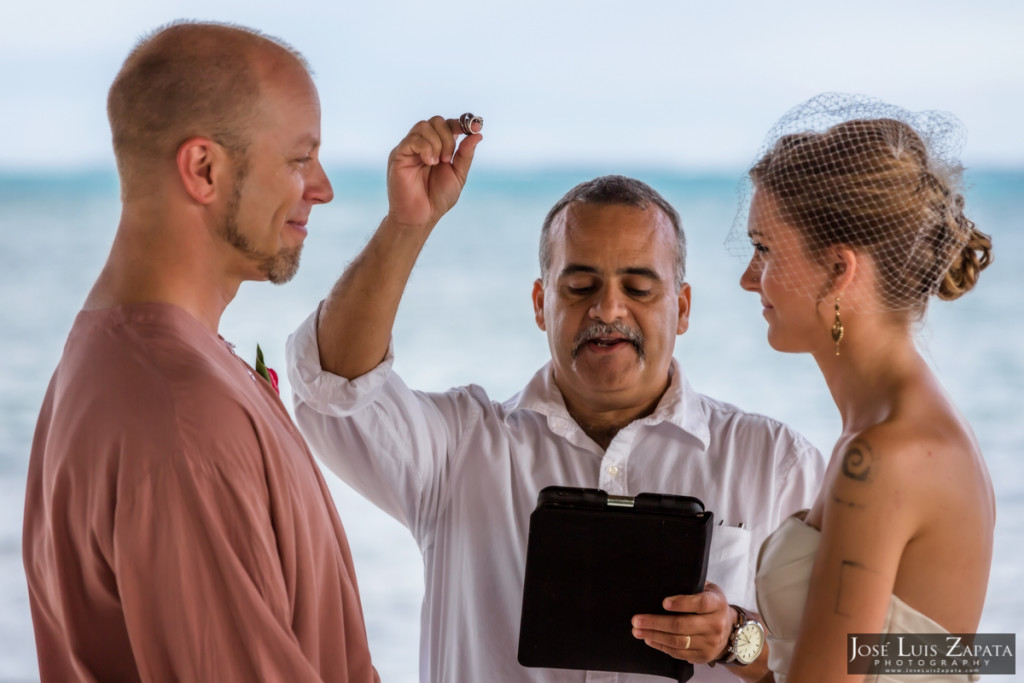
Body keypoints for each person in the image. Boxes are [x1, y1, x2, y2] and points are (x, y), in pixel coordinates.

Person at [286, 115, 824, 682]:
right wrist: (406, 224)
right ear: (542, 303)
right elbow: (333, 384)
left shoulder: (774, 460)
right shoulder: (458, 449)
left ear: (683, 308)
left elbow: (881, 657)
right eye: (580, 287)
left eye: (639, 289)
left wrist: (739, 639)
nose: (609, 310)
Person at [22, 21, 379, 682]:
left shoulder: (114, 358)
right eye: (300, 160)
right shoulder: (181, 415)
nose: (322, 187)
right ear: (204, 169)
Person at [739, 94, 995, 682]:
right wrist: (734, 640)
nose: (749, 278)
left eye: (764, 249)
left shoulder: (881, 456)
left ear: (838, 269)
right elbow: (947, 657)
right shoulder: (913, 430)